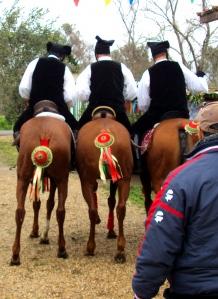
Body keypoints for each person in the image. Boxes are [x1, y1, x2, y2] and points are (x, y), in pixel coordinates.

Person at [132, 101, 218, 299]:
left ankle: (136, 165)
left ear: (199, 133)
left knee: (136, 132)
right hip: (181, 110)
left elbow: (161, 239)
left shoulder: (181, 178)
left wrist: (142, 289)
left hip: (195, 289)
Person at [132, 40, 208, 142]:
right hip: (181, 114)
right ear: (165, 53)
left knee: (136, 129)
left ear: (153, 56)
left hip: (157, 116)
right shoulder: (179, 66)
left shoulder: (148, 73)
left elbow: (143, 104)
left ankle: (140, 158)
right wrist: (201, 77)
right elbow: (201, 88)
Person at [13, 41, 78, 144]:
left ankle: (18, 139)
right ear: (61, 56)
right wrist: (67, 106)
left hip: (35, 105)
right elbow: (70, 96)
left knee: (17, 127)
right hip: (58, 106)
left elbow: (24, 87)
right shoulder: (64, 68)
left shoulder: (35, 62)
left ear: (49, 53)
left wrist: (28, 99)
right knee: (75, 127)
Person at [75, 35, 137, 133]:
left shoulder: (89, 68)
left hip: (94, 108)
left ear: (97, 55)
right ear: (109, 53)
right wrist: (122, 96)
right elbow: (132, 92)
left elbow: (82, 93)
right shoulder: (122, 67)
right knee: (130, 135)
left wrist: (90, 97)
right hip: (118, 110)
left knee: (77, 132)